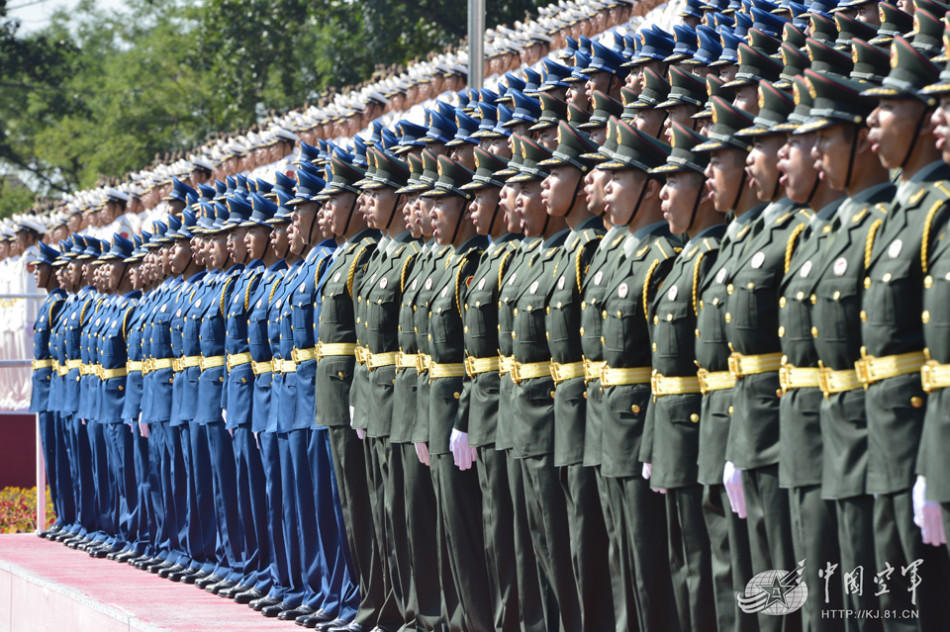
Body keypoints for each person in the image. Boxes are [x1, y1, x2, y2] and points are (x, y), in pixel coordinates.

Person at [642, 119, 722, 632]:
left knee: (711, 570)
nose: (664, 195)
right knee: (683, 565)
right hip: (675, 432)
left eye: (676, 182)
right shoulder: (685, 260)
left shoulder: (703, 259)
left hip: (701, 432)